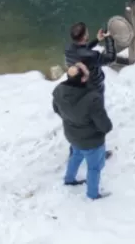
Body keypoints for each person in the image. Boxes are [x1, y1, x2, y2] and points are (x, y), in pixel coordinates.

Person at [53, 63, 113, 200]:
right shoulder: (92, 98)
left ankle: (69, 179)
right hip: (91, 140)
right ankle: (92, 194)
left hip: (72, 135)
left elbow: (56, 109)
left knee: (76, 156)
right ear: (83, 79)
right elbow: (104, 125)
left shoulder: (58, 90)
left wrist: (71, 120)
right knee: (94, 167)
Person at [64, 22, 116, 101]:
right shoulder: (92, 56)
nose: (88, 33)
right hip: (94, 87)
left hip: (79, 85)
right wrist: (109, 38)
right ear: (85, 36)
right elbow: (111, 58)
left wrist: (97, 40)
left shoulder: (68, 48)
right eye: (87, 32)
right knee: (96, 107)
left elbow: (82, 50)